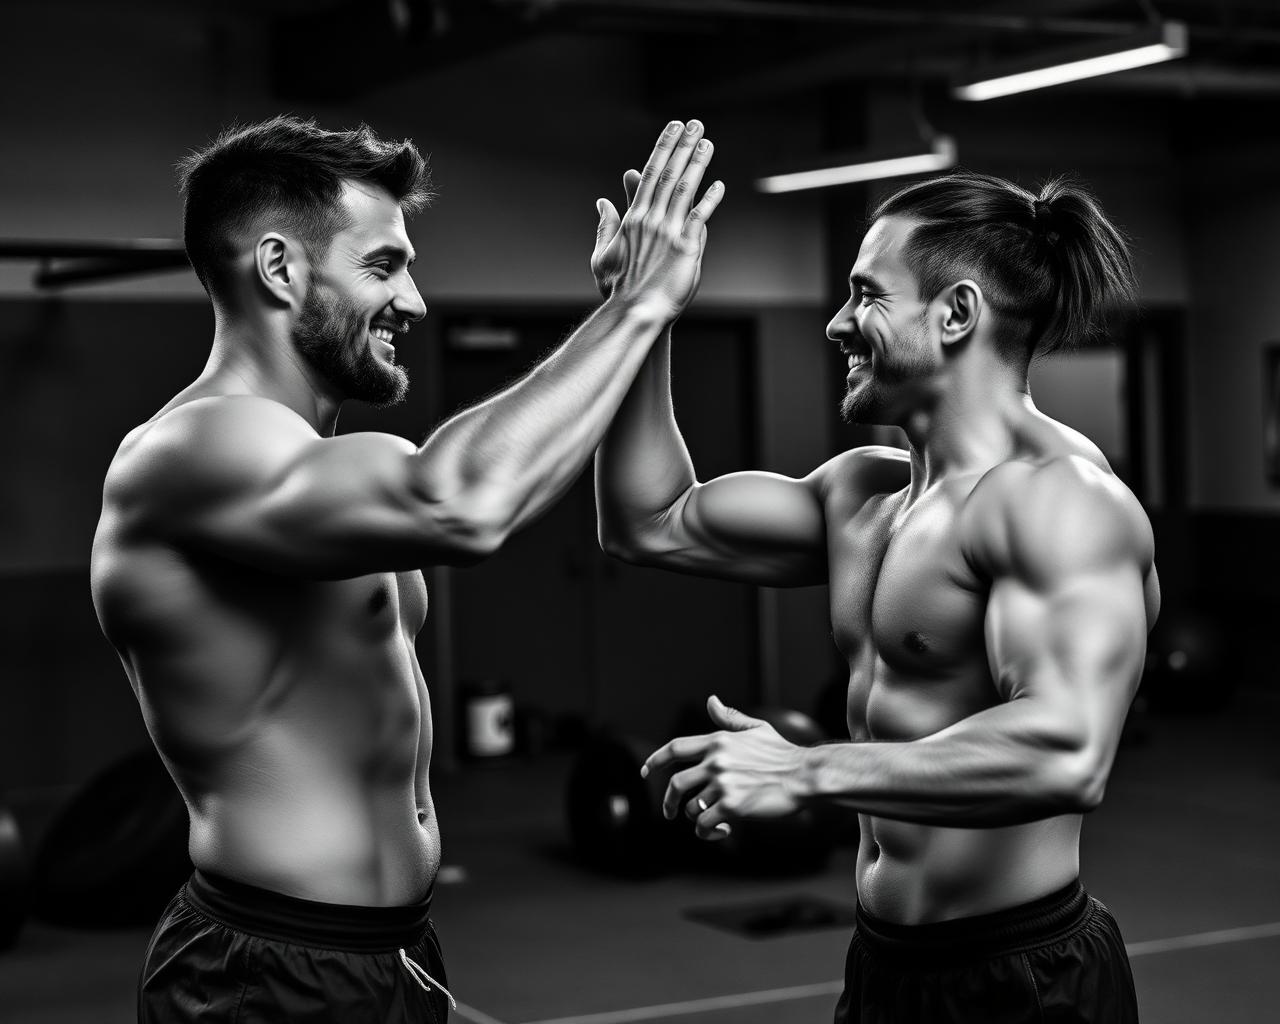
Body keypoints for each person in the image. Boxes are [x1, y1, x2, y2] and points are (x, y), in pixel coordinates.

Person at [89, 113, 722, 1023]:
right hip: (268, 972)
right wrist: (635, 307)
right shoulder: (191, 450)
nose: (416, 301)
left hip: (383, 957)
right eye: (384, 266)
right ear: (279, 269)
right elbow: (461, 501)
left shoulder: (321, 474)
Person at [596, 171, 1157, 1023]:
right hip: (887, 966)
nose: (837, 323)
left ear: (956, 313)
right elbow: (648, 519)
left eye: (865, 294)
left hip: (1023, 980)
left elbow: (1068, 751)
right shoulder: (862, 494)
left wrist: (804, 770)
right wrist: (639, 312)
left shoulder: (1060, 499)